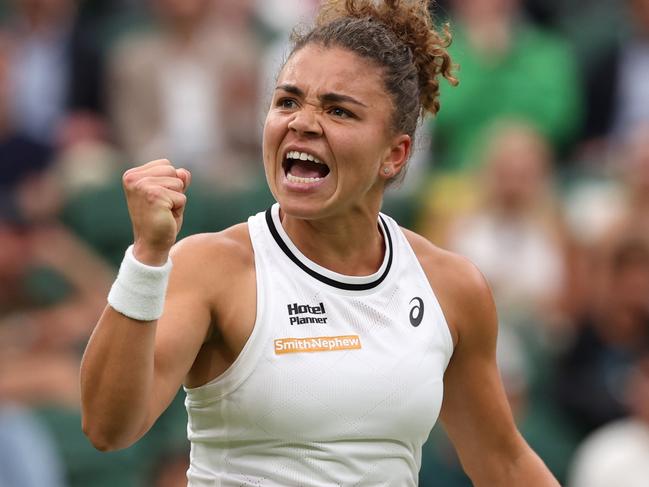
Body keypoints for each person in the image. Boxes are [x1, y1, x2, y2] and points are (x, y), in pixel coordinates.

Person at [80, 1, 560, 485]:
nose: (302, 122)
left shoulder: (452, 287)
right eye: (287, 101)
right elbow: (108, 426)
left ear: (394, 155)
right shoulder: (210, 267)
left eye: (338, 110)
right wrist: (146, 257)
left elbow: (503, 462)